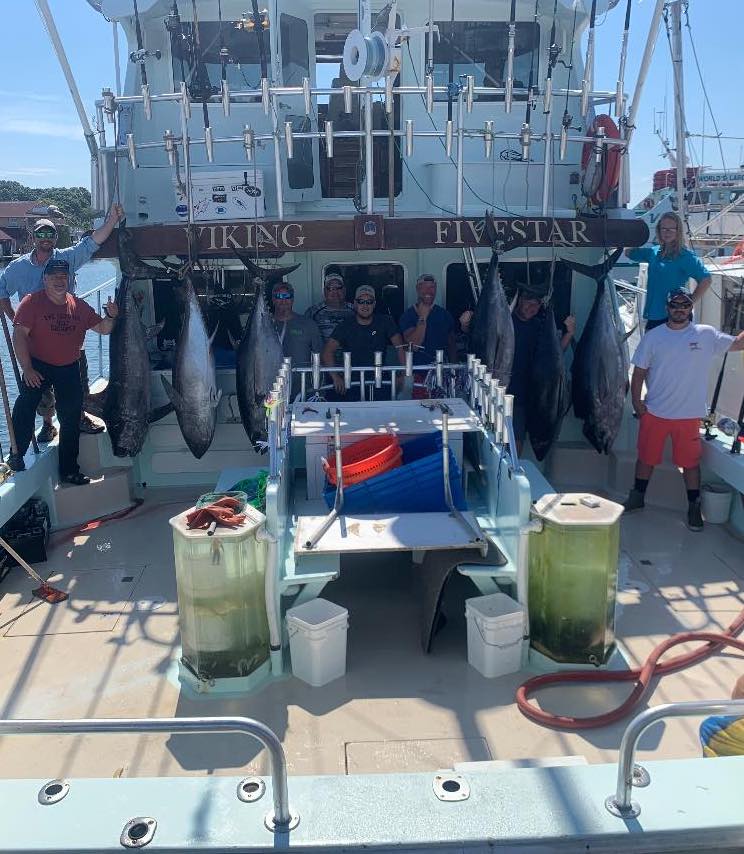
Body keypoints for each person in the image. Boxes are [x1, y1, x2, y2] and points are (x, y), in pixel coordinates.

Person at [0, 203, 124, 441]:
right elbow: (2, 290)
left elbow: (92, 242)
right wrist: (15, 319)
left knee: (78, 379)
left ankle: (79, 416)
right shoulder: (17, 267)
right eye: (40, 233)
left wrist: (111, 220)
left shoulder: (67, 258)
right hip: (37, 341)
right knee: (41, 389)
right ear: (33, 236)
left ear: (55, 237)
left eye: (49, 233)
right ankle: (48, 424)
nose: (45, 238)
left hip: (70, 333)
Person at [623, 287, 744, 530]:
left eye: (685, 305)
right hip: (655, 412)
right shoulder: (653, 337)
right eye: (675, 305)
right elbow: (639, 373)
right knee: (646, 459)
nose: (680, 309)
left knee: (690, 464)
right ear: (667, 308)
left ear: (691, 308)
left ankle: (693, 506)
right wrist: (637, 402)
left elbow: (737, 344)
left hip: (689, 417)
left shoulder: (706, 334)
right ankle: (637, 498)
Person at [7, 258, 119, 485]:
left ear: (69, 280)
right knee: (26, 403)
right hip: (38, 364)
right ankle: (16, 455)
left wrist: (111, 315)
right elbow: (19, 335)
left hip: (68, 367)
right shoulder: (31, 302)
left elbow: (104, 329)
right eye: (54, 276)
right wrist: (26, 368)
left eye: (63, 276)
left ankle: (69, 470)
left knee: (70, 417)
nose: (59, 280)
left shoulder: (79, 305)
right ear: (45, 279)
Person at [508, 290, 575, 452]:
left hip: (530, 396)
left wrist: (569, 333)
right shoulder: (506, 322)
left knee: (516, 444)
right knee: (510, 443)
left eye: (536, 304)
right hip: (507, 393)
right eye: (528, 302)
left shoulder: (540, 326)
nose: (532, 307)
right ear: (519, 301)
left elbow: (555, 357)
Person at [626, 212, 711, 331]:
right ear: (659, 230)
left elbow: (706, 279)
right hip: (653, 316)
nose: (667, 232)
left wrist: (690, 302)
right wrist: (635, 229)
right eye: (664, 229)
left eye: (671, 229)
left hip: (675, 318)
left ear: (678, 231)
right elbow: (629, 252)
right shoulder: (653, 252)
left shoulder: (685, 256)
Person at [321, 285, 406, 400]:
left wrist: (402, 374)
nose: (365, 305)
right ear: (355, 304)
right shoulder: (345, 325)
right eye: (361, 301)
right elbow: (327, 352)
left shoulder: (386, 321)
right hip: (351, 383)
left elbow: (400, 347)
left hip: (381, 381)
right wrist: (336, 377)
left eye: (369, 301)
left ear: (374, 304)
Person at [399, 273, 458, 364]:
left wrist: (454, 369)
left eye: (432, 287)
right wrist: (422, 318)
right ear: (417, 289)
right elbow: (414, 345)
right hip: (417, 373)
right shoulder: (407, 316)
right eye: (424, 287)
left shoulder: (445, 315)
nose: (428, 291)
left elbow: (452, 345)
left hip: (441, 370)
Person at [271, 281, 322, 381]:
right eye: (279, 296)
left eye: (287, 296)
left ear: (292, 299)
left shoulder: (308, 324)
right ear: (273, 299)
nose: (283, 300)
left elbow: (319, 355)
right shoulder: (265, 325)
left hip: (302, 388)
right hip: (270, 386)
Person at [304, 271, 353, 343]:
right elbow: (305, 337)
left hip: (350, 353)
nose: (335, 291)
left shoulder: (355, 309)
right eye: (330, 288)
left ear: (344, 290)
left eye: (339, 288)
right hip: (323, 353)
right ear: (324, 291)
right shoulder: (312, 312)